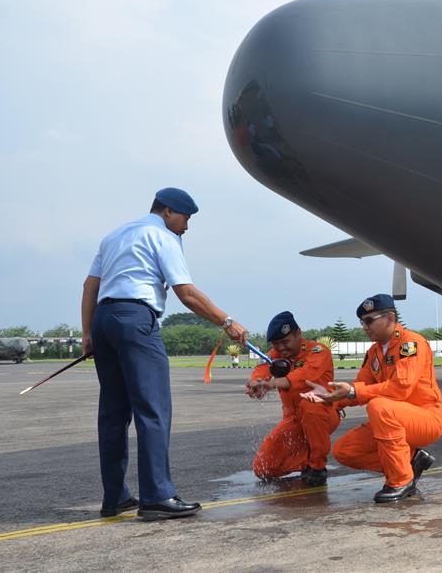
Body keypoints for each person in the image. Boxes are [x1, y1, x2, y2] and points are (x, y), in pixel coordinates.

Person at [81, 187, 248, 520]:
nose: (187, 226)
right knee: (153, 410)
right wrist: (227, 322)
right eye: (186, 218)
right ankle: (157, 496)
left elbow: (90, 287)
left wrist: (88, 333)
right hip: (135, 319)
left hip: (104, 319)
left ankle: (114, 497)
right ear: (169, 212)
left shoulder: (115, 235)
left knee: (113, 414)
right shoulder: (163, 237)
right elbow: (186, 293)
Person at [301, 294, 442, 503]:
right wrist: (329, 397)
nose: (364, 326)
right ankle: (410, 462)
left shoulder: (410, 344)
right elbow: (361, 386)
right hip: (393, 420)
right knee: (344, 451)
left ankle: (401, 480)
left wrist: (352, 391)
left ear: (390, 318)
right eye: (362, 321)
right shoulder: (375, 352)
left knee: (379, 406)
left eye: (369, 320)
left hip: (426, 419)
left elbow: (400, 388)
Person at [246, 311, 341, 486]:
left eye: (285, 342)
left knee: (310, 404)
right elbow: (260, 372)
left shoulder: (318, 351)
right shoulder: (274, 356)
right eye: (276, 344)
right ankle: (306, 462)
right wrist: (256, 385)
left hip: (323, 414)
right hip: (293, 420)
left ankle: (318, 467)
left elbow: (304, 375)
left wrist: (273, 383)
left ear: (298, 334)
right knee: (263, 469)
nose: (280, 348)